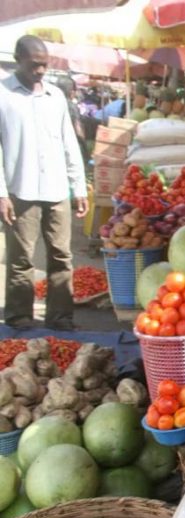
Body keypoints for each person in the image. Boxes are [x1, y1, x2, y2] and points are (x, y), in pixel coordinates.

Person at [0, 35, 88, 330]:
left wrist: (79, 187)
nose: (40, 71)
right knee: (21, 257)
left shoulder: (56, 96)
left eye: (44, 65)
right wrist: (1, 193)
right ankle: (19, 315)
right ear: (17, 59)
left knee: (61, 255)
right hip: (19, 189)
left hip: (56, 188)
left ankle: (61, 316)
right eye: (34, 65)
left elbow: (69, 144)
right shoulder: (3, 95)